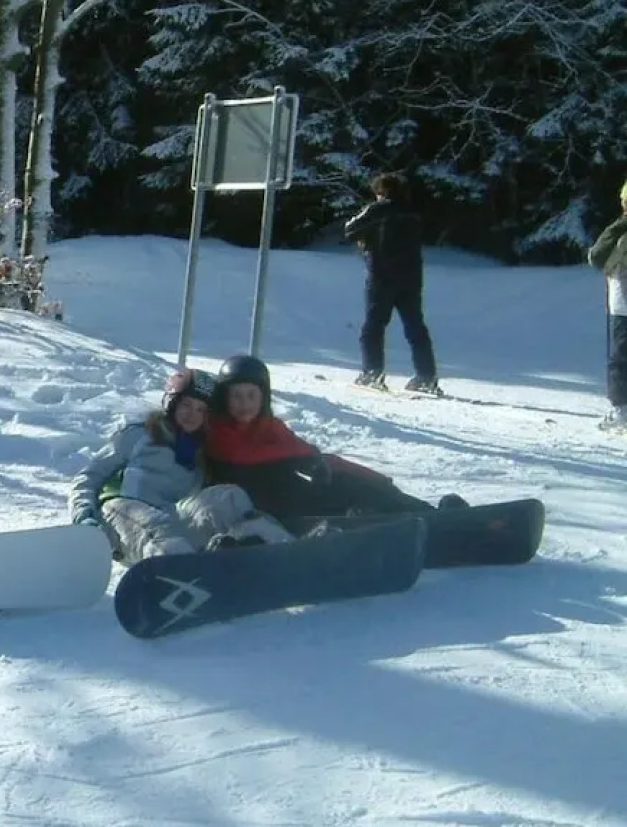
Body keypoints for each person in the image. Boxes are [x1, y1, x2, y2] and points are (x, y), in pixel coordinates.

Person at [205, 354, 466, 525]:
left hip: (296, 497)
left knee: (350, 481)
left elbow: (307, 452)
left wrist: (317, 462)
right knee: (349, 495)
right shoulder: (219, 430)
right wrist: (301, 457)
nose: (244, 404)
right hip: (278, 513)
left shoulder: (271, 426)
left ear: (263, 398)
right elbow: (240, 455)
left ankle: (430, 515)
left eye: (251, 396)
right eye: (236, 396)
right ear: (224, 398)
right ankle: (404, 522)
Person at [69, 368, 292, 562]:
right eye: (186, 405)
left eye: (201, 410)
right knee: (158, 526)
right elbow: (89, 477)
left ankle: (279, 550)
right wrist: (83, 516)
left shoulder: (200, 451)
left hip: (174, 517)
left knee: (229, 496)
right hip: (122, 513)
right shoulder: (139, 434)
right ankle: (186, 571)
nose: (192, 415)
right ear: (171, 403)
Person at [343, 172, 440, 394]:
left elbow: (350, 229)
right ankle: (427, 376)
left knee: (374, 327)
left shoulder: (379, 210)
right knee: (415, 327)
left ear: (380, 191)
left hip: (382, 276)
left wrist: (366, 240)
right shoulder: (413, 212)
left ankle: (372, 372)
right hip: (412, 277)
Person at [587, 178, 627, 429]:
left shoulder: (621, 230)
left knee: (620, 358)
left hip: (623, 304)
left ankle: (621, 410)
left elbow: (597, 257)